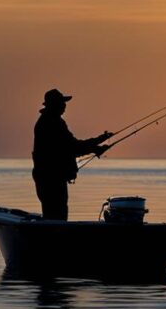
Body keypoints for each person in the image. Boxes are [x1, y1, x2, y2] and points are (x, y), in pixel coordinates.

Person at [32, 89, 113, 220]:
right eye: (62, 103)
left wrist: (98, 142)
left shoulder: (54, 121)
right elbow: (73, 147)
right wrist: (96, 146)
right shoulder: (51, 123)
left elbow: (71, 146)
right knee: (56, 215)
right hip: (50, 179)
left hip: (51, 177)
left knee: (54, 215)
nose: (65, 105)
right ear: (54, 105)